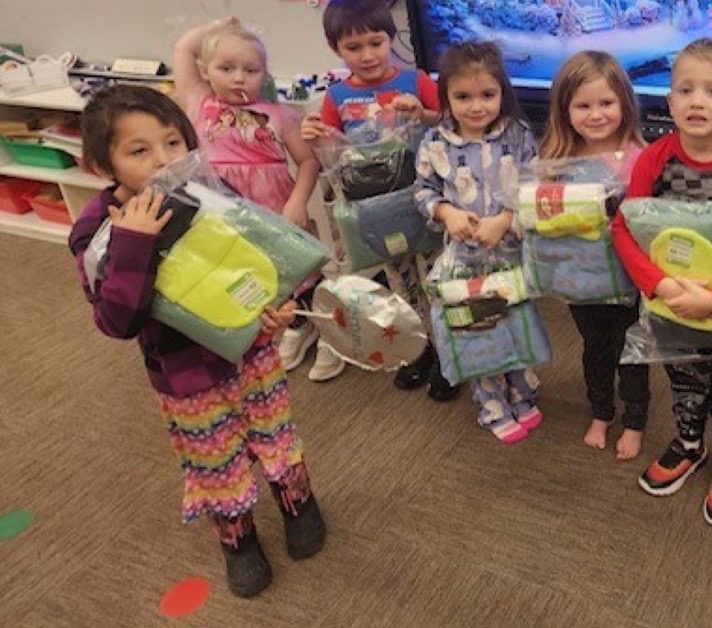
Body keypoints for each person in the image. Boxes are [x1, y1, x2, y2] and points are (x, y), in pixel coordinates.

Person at [68, 85, 327, 598]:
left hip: (252, 353)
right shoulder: (96, 232)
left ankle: (299, 502)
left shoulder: (207, 189)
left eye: (172, 142)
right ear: (102, 165)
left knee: (276, 434)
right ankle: (238, 539)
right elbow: (115, 321)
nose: (164, 160)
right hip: (187, 376)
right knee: (216, 459)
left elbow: (255, 259)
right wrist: (134, 243)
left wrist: (271, 311)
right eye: (139, 151)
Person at [610, 39, 712, 527]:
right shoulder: (654, 160)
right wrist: (659, 286)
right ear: (670, 101)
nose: (697, 101)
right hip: (669, 304)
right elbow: (625, 228)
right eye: (685, 89)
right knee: (682, 378)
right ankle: (688, 444)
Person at [300, 0, 451, 392]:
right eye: (354, 48)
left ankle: (450, 355)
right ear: (336, 50)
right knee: (401, 285)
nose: (367, 55)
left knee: (437, 278)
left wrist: (421, 112)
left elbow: (448, 120)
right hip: (377, 211)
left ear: (389, 40)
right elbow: (333, 154)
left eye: (375, 43)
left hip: (422, 199)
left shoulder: (415, 80)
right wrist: (317, 136)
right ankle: (418, 352)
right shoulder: (336, 97)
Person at [172, 16, 331, 380]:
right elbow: (184, 47)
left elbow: (308, 162)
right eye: (226, 68)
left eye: (251, 69)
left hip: (274, 209)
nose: (239, 77)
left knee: (296, 270)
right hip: (221, 212)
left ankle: (322, 330)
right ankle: (292, 327)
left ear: (265, 74)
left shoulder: (281, 115)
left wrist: (298, 202)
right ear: (205, 71)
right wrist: (216, 26)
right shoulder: (199, 103)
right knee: (247, 270)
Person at [414, 41, 541, 443]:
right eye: (463, 97)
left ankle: (521, 392)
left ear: (502, 92)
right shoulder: (435, 143)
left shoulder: (518, 135)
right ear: (447, 97)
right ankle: (491, 404)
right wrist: (447, 213)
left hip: (513, 255)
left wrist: (505, 219)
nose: (476, 106)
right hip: (465, 261)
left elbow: (534, 185)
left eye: (487, 94)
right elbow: (421, 191)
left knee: (518, 325)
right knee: (480, 331)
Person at [540, 51, 650, 460]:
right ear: (564, 110)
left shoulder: (641, 157)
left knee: (631, 349)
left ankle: (635, 419)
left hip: (628, 279)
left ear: (624, 102)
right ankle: (601, 411)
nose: (596, 114)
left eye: (606, 103)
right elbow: (541, 221)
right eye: (583, 105)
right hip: (579, 281)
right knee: (595, 347)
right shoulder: (554, 163)